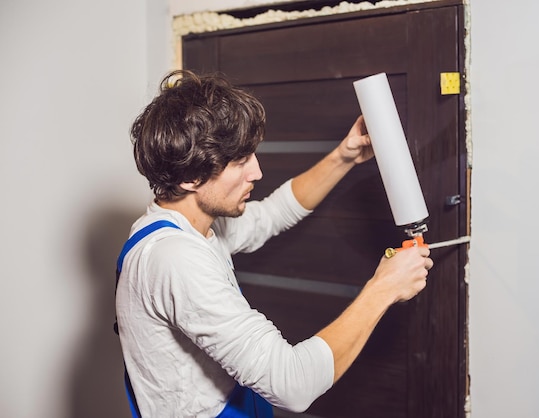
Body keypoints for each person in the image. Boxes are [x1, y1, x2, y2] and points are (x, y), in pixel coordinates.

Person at [115, 69, 433, 417]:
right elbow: (291, 385)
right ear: (191, 177)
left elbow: (272, 214)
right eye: (240, 161)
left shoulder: (197, 225)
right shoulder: (172, 259)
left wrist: (344, 156)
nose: (257, 172)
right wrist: (383, 288)